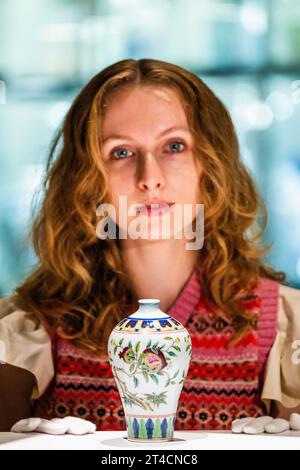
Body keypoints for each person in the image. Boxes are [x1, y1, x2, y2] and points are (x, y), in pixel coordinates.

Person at [1, 58, 299, 433]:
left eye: (174, 146)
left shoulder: (286, 324)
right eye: (121, 152)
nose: (150, 178)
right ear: (88, 179)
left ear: (211, 165)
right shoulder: (28, 325)